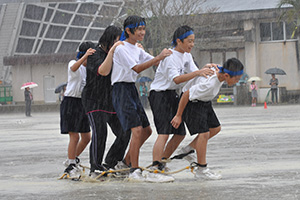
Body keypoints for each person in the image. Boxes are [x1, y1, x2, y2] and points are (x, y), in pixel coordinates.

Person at [147, 25, 215, 182]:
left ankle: (162, 162)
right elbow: (176, 79)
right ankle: (154, 169)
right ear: (179, 41)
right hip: (159, 94)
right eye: (189, 41)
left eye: (193, 41)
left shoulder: (187, 55)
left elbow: (195, 73)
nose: (192, 44)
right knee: (164, 132)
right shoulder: (170, 56)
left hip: (172, 94)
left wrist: (205, 69)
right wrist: (198, 72)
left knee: (179, 133)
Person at [110, 15, 172, 181]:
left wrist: (170, 56)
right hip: (121, 89)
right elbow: (137, 68)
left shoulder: (137, 48)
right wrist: (159, 57)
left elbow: (154, 62)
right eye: (139, 29)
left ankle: (124, 163)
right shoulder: (121, 48)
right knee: (136, 130)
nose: (142, 32)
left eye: (144, 29)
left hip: (131, 89)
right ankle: (134, 170)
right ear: (128, 31)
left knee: (146, 131)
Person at [171, 58, 244, 180]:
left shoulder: (220, 71)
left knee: (215, 128)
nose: (237, 81)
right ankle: (202, 169)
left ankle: (187, 150)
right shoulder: (210, 84)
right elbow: (186, 94)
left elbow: (217, 66)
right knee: (203, 134)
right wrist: (178, 115)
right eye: (236, 79)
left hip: (204, 101)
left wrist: (210, 65)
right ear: (226, 75)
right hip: (192, 103)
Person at [81, 26, 131, 177]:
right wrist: (113, 52)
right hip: (93, 100)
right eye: (117, 40)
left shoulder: (117, 54)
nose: (120, 43)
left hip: (111, 100)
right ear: (109, 39)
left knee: (124, 131)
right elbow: (103, 71)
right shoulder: (94, 54)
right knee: (100, 132)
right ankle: (95, 167)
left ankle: (111, 162)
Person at [60, 42, 95, 178]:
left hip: (83, 103)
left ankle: (72, 159)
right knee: (74, 136)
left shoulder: (88, 69)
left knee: (87, 137)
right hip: (71, 101)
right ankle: (71, 165)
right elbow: (74, 68)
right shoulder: (73, 63)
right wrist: (84, 56)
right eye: (88, 57)